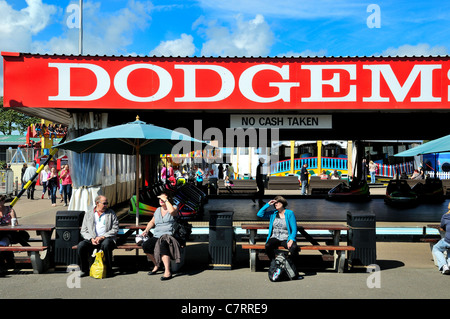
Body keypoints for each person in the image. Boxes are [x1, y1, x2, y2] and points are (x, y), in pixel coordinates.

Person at [141, 193, 182, 281]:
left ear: (168, 199)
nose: (161, 200)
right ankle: (157, 264)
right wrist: (146, 230)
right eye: (160, 199)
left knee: (163, 245)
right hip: (157, 235)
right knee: (146, 246)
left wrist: (166, 200)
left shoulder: (174, 207)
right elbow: (152, 222)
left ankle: (167, 271)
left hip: (169, 236)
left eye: (163, 199)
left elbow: (172, 212)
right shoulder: (157, 210)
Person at [257, 196, 300, 278]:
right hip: (275, 237)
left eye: (277, 202)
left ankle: (291, 266)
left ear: (282, 203)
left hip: (286, 237)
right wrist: (268, 204)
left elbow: (294, 228)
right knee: (268, 246)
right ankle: (273, 263)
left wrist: (291, 239)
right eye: (275, 203)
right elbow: (259, 214)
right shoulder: (273, 213)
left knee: (294, 248)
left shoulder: (289, 213)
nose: (275, 204)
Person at [77, 195, 119, 277]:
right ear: (97, 203)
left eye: (107, 203)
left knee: (106, 244)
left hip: (106, 238)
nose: (106, 205)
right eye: (104, 203)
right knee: (81, 246)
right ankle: (84, 269)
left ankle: (109, 269)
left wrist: (103, 237)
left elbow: (115, 228)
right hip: (92, 238)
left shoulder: (111, 213)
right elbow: (83, 230)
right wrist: (91, 238)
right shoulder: (89, 214)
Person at [0, 195, 19, 275]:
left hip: (8, 233)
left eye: (1, 201)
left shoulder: (9, 210)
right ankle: (6, 265)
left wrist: (12, 219)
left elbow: (15, 224)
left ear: (3, 201)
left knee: (2, 245)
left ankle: (5, 266)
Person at [432, 202, 450, 275]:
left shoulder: (445, 217)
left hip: (448, 241)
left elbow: (442, 228)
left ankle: (444, 265)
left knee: (436, 248)